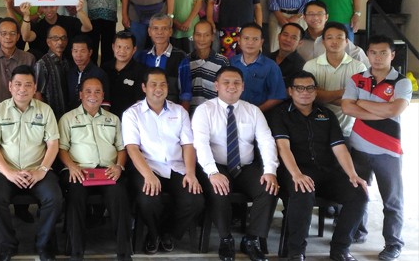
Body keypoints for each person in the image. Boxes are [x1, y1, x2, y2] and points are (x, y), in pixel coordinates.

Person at [269, 71, 368, 261]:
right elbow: (283, 147)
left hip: (326, 172)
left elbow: (339, 147)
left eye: (310, 88)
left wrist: (353, 175)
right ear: (290, 91)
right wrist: (297, 175)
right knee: (303, 190)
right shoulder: (280, 114)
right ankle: (296, 251)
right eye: (299, 88)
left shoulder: (327, 114)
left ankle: (340, 248)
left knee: (359, 192)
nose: (305, 92)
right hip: (294, 171)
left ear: (315, 92)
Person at [192, 67, 280, 261]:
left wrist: (270, 171)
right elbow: (200, 143)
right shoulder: (204, 110)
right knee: (219, 190)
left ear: (243, 87)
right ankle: (226, 239)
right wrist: (212, 172)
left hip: (245, 166)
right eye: (226, 82)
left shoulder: (253, 111)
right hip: (216, 165)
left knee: (269, 188)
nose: (231, 87)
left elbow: (266, 141)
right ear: (216, 86)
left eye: (236, 83)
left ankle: (251, 239)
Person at [341, 35, 411, 261]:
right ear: (367, 54)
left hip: (388, 150)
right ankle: (357, 232)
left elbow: (394, 111)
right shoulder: (356, 79)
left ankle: (393, 243)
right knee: (357, 195)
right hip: (358, 147)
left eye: (383, 53)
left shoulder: (401, 82)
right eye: (373, 52)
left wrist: (360, 102)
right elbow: (347, 108)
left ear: (392, 55)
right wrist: (380, 108)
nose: (378, 57)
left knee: (392, 200)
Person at [0, 65, 63, 261]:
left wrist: (42, 170)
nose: (22, 89)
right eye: (18, 84)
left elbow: (53, 144)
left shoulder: (45, 111)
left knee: (54, 198)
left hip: (38, 169)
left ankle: (43, 244)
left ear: (34, 87)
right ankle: (8, 245)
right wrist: (9, 172)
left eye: (28, 85)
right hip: (5, 171)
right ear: (10, 86)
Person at [123, 68, 204, 255]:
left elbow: (188, 145)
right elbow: (132, 148)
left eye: (162, 84)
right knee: (148, 201)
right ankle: (153, 234)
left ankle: (169, 234)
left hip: (176, 166)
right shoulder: (132, 114)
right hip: (147, 167)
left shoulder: (180, 112)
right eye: (153, 84)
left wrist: (191, 173)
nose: (158, 89)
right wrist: (148, 175)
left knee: (195, 200)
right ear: (144, 87)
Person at [59, 77, 131, 260]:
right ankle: (76, 252)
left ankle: (124, 252)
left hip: (108, 171)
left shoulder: (113, 119)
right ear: (81, 95)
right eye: (88, 91)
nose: (93, 95)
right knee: (75, 196)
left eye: (98, 91)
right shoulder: (68, 118)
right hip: (79, 171)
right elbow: (61, 149)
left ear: (103, 95)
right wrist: (72, 167)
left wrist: (119, 166)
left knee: (120, 195)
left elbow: (122, 148)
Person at [303, 22, 366, 137]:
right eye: (329, 37)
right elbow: (308, 96)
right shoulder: (310, 66)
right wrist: (345, 93)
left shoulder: (359, 67)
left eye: (339, 37)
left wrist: (321, 95)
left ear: (347, 41)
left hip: (349, 130)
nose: (334, 41)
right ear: (323, 42)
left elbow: (361, 101)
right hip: (316, 129)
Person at [0, 18, 36, 130]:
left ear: (18, 36)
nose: (8, 37)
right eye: (4, 33)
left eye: (12, 33)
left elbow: (34, 90)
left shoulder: (29, 58)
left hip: (24, 118)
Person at [228, 23, 287, 113]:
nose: (250, 42)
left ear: (261, 42)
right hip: (232, 113)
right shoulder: (230, 62)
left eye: (255, 39)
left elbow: (278, 96)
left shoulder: (271, 66)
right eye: (246, 38)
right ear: (239, 41)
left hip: (260, 115)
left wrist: (255, 112)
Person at [135, 14, 188, 107]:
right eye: (155, 28)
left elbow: (186, 92)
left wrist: (184, 115)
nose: (160, 32)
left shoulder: (180, 56)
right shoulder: (142, 56)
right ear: (149, 31)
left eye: (164, 28)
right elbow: (138, 88)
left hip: (171, 111)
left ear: (170, 31)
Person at [177, 20, 230, 114]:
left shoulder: (222, 61)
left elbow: (226, 92)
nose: (202, 39)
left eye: (206, 35)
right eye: (198, 34)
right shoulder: (186, 61)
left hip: (215, 115)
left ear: (212, 37)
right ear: (193, 36)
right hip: (190, 115)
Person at [298, 0, 370, 67]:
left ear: (326, 17)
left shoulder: (337, 38)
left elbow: (358, 54)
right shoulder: (298, 40)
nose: (316, 17)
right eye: (311, 14)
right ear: (304, 17)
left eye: (320, 14)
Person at [21, 0, 92, 61]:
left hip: (69, 62)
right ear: (41, 8)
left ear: (57, 6)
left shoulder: (69, 21)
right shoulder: (39, 26)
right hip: (47, 65)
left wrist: (79, 10)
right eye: (45, 7)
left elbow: (88, 28)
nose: (49, 10)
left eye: (52, 6)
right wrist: (26, 16)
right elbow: (26, 37)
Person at [101, 30, 146, 117]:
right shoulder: (104, 68)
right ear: (113, 47)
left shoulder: (141, 71)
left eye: (127, 48)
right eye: (119, 47)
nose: (122, 51)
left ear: (134, 50)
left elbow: (139, 102)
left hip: (130, 120)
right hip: (106, 120)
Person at [33, 25, 72, 120]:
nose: (60, 42)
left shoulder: (67, 62)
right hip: (51, 118)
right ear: (48, 42)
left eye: (63, 38)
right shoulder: (42, 64)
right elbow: (37, 94)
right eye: (55, 38)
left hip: (68, 116)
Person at [67, 35, 109, 110]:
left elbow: (105, 104)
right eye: (75, 51)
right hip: (72, 118)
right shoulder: (69, 73)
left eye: (82, 51)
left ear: (90, 52)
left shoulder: (99, 74)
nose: (78, 55)